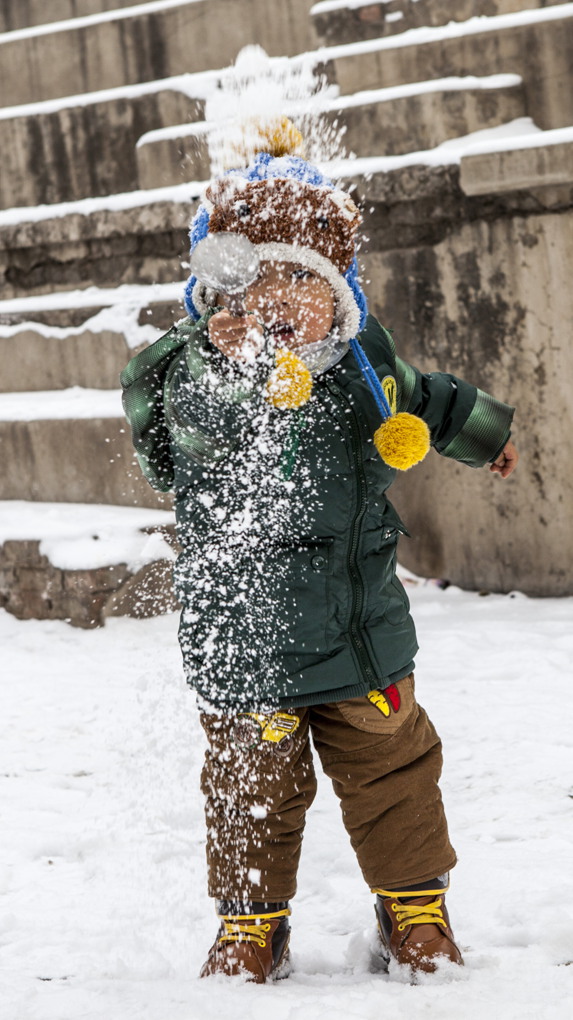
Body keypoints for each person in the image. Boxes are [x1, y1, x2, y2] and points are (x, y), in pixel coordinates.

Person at [121, 125, 518, 984]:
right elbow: (178, 441)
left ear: (337, 291)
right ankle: (250, 923)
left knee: (394, 773)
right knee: (247, 787)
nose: (278, 297)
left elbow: (429, 397)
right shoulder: (193, 373)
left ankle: (414, 911)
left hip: (360, 630)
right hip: (247, 642)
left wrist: (482, 435)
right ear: (217, 293)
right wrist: (223, 372)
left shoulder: (359, 366)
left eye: (301, 276)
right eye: (257, 276)